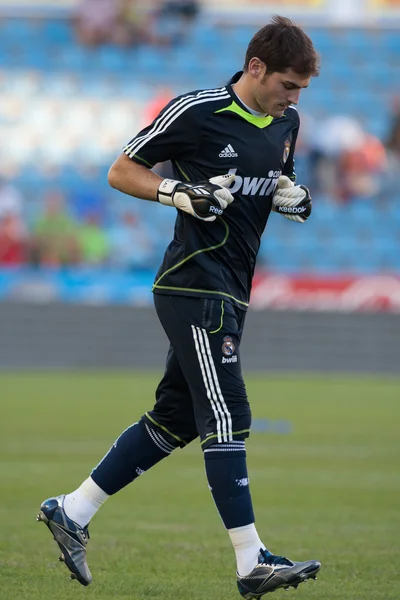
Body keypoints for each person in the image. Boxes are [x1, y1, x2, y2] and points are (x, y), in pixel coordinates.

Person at [37, 16, 320, 598]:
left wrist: (294, 196)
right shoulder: (195, 111)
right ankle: (251, 562)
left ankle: (73, 510)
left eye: (301, 90)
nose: (293, 98)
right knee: (227, 415)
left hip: (233, 288)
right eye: (288, 85)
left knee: (176, 418)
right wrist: (174, 191)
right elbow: (121, 170)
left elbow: (277, 180)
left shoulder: (285, 122)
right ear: (256, 67)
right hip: (193, 283)